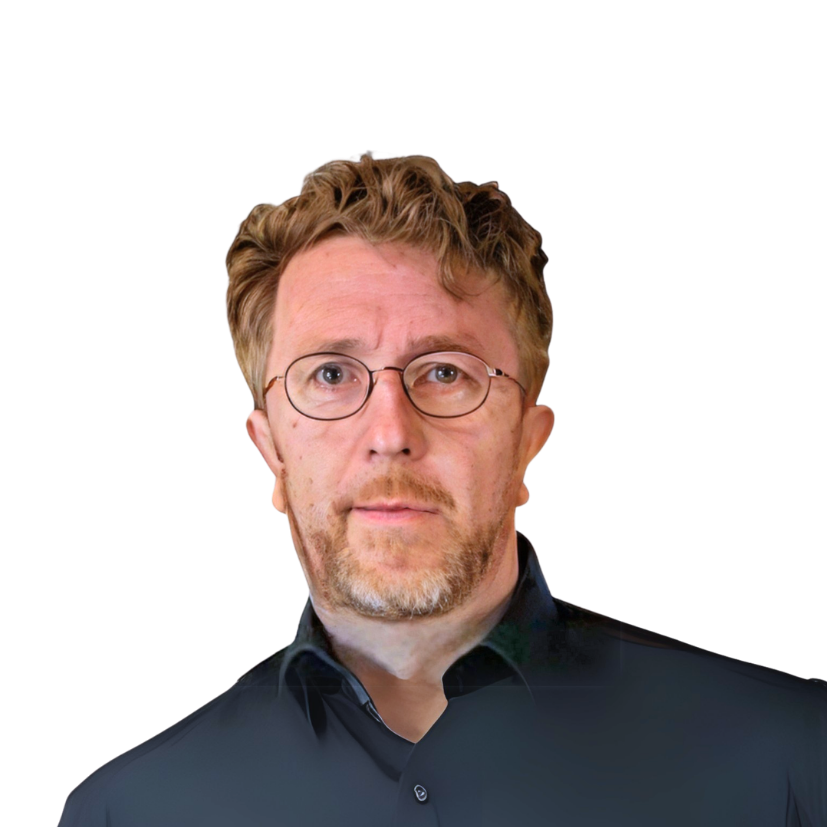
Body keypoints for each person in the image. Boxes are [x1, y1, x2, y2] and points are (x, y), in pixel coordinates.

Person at [58, 152, 825, 826]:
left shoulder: (794, 757)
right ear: (272, 453)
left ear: (526, 442)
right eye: (330, 373)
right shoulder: (127, 812)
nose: (390, 431)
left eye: (445, 372)